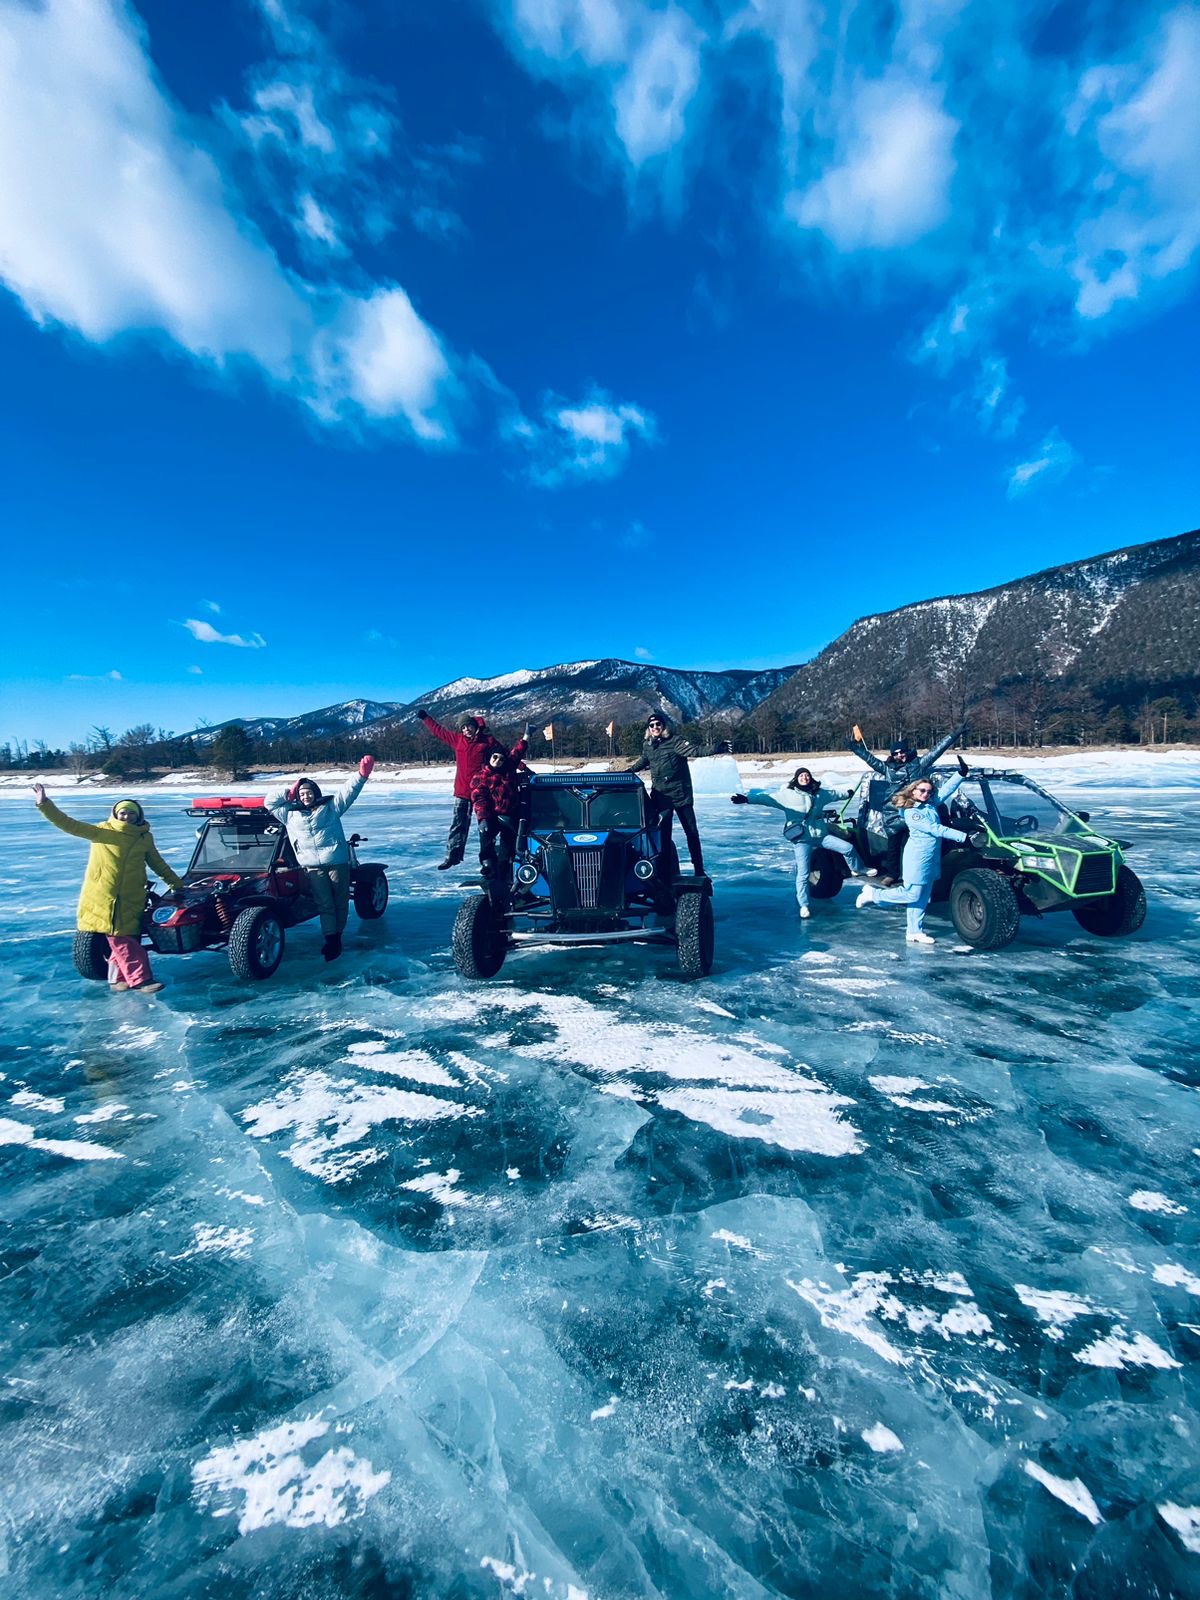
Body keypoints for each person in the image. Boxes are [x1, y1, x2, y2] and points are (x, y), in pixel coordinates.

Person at [32, 786, 184, 994]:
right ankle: (141, 980)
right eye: (123, 812)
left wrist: (176, 884)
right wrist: (44, 804)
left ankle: (117, 979)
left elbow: (157, 863)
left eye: (131, 813)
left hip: (133, 895)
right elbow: (67, 824)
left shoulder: (143, 837)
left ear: (138, 816)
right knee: (121, 939)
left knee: (126, 937)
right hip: (105, 896)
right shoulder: (102, 831)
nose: (127, 817)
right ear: (115, 814)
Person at [262, 756, 374, 960]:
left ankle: (337, 936)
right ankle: (331, 939)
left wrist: (361, 775)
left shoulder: (331, 807)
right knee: (324, 903)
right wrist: (288, 792)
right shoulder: (288, 813)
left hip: (337, 861)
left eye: (309, 792)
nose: (306, 797)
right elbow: (269, 802)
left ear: (316, 793)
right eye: (302, 793)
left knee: (340, 901)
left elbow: (348, 793)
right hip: (312, 866)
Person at [731, 767, 875, 918]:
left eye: (806, 775)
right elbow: (767, 799)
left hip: (820, 836)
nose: (804, 778)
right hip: (802, 839)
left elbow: (835, 794)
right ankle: (804, 906)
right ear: (796, 778)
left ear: (810, 778)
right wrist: (747, 799)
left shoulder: (820, 794)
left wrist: (848, 794)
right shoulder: (787, 795)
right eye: (801, 776)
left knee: (848, 848)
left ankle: (858, 869)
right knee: (803, 873)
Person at [855, 772, 979, 944]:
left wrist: (960, 774)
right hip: (917, 858)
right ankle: (874, 894)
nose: (926, 794)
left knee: (922, 896)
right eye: (922, 790)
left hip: (931, 858)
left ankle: (914, 931)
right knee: (912, 894)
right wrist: (964, 837)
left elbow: (945, 791)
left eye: (929, 792)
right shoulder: (911, 812)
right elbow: (935, 829)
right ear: (913, 791)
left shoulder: (929, 804)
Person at [846, 722, 968, 883]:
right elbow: (870, 759)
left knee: (923, 842)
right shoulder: (887, 769)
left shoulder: (918, 764)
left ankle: (926, 873)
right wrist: (856, 748)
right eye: (896, 753)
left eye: (902, 751)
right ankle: (892, 874)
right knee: (894, 845)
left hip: (918, 810)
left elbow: (937, 750)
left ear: (907, 751)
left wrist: (954, 734)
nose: (900, 755)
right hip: (895, 812)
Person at [627, 713, 728, 876]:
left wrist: (716, 748)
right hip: (661, 797)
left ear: (664, 726)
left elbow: (696, 750)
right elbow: (643, 761)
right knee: (663, 836)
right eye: (652, 726)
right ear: (648, 728)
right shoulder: (648, 745)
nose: (655, 728)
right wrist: (628, 772)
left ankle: (699, 870)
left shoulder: (675, 742)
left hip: (681, 796)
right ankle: (665, 871)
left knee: (691, 832)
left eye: (658, 724)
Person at [416, 709, 504, 869]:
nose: (466, 730)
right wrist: (426, 718)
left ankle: (488, 861)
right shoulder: (457, 740)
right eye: (463, 728)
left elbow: (503, 754)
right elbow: (438, 731)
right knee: (458, 824)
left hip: (481, 792)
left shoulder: (487, 742)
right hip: (462, 791)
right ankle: (453, 856)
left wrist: (522, 766)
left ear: (474, 725)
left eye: (468, 726)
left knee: (486, 826)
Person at [469, 735, 530, 879]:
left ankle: (504, 868)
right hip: (491, 815)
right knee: (486, 836)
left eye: (501, 759)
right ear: (489, 758)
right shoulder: (482, 777)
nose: (498, 761)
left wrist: (526, 737)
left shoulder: (508, 769)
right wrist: (483, 818)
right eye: (495, 757)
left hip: (510, 814)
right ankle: (488, 864)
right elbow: (479, 798)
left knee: (508, 844)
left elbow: (517, 752)